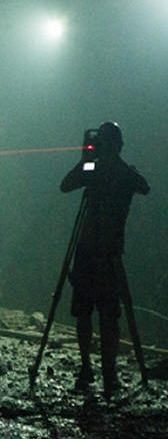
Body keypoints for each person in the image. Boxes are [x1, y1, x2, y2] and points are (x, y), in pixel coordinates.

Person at [60, 121, 149, 398]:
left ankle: (100, 371)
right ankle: (99, 371)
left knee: (100, 314)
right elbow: (67, 185)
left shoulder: (108, 172)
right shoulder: (104, 171)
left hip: (100, 253)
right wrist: (89, 163)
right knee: (95, 314)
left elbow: (143, 186)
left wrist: (90, 163)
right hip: (98, 253)